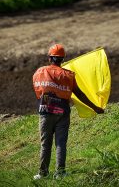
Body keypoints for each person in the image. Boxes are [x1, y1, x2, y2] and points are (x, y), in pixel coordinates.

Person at [32, 43, 104, 180]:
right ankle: (60, 173)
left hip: (45, 110)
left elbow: (38, 92)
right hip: (63, 111)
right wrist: (95, 108)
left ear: (49, 58)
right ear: (62, 59)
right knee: (60, 143)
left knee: (45, 143)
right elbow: (80, 94)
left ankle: (42, 173)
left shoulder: (39, 72)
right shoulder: (68, 75)